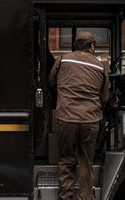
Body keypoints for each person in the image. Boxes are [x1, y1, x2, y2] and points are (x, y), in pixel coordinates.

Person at [48, 31, 109, 200]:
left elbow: (51, 82)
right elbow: (104, 97)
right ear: (92, 46)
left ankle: (66, 197)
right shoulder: (100, 66)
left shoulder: (63, 59)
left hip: (66, 118)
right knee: (85, 161)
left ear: (75, 46)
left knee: (66, 160)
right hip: (90, 120)